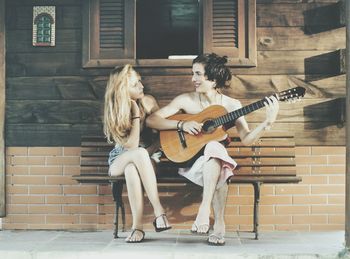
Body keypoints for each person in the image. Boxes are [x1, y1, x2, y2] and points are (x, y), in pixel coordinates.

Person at [146, 53, 279, 246]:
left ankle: (205, 211)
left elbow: (247, 139)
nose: (193, 79)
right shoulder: (186, 100)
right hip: (189, 160)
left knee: (216, 152)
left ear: (214, 78)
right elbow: (152, 120)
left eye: (198, 74)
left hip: (212, 162)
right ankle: (217, 222)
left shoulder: (232, 105)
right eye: (193, 73)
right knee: (221, 164)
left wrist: (267, 122)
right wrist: (181, 126)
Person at [103, 64, 171, 243]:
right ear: (122, 89)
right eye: (135, 84)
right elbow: (131, 146)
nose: (142, 86)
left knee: (132, 169)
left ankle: (137, 228)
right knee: (136, 156)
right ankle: (159, 211)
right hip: (119, 158)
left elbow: (162, 136)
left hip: (147, 157)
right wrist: (134, 113)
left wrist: (147, 153)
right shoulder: (115, 110)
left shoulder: (149, 102)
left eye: (140, 81)